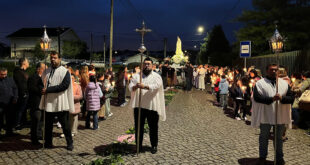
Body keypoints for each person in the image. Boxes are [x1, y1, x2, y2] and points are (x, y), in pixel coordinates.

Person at [251, 64, 294, 165]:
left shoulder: (284, 84)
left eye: (276, 70)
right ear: (267, 71)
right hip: (265, 115)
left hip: (279, 115)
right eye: (271, 70)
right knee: (264, 137)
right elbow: (257, 98)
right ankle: (262, 157)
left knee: (278, 138)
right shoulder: (260, 84)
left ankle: (279, 158)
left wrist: (282, 98)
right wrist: (271, 99)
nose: (274, 72)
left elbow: (291, 98)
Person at [129, 57, 166, 154]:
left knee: (153, 127)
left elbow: (157, 86)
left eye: (148, 64)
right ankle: (138, 145)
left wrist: (145, 86)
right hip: (139, 105)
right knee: (138, 127)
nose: (146, 65)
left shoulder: (157, 76)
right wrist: (136, 86)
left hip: (152, 106)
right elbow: (130, 87)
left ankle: (154, 145)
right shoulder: (137, 76)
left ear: (152, 65)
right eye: (145, 64)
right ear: (142, 65)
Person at [39, 51, 75, 151]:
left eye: (55, 57)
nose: (53, 59)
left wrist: (48, 90)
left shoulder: (65, 71)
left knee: (65, 125)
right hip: (49, 102)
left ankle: (69, 143)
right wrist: (41, 89)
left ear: (59, 59)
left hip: (60, 102)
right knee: (48, 125)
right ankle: (48, 142)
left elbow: (64, 86)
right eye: (51, 58)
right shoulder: (46, 71)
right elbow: (40, 83)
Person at [28, 63, 45, 145]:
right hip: (36, 102)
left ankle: (39, 134)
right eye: (44, 68)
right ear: (39, 69)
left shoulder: (43, 77)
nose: (45, 70)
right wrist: (41, 90)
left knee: (41, 121)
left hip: (42, 103)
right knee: (35, 121)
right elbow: (32, 88)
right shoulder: (33, 77)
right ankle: (34, 139)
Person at [0, 67, 18, 136]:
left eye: (5, 74)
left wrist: (15, 97)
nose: (4, 76)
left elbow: (15, 88)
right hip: (1, 103)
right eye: (2, 74)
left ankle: (9, 132)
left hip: (10, 103)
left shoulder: (10, 79)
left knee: (9, 118)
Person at [13, 57, 29, 129]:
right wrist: (24, 93)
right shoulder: (18, 72)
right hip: (22, 94)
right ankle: (17, 124)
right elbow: (20, 84)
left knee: (24, 109)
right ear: (24, 63)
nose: (28, 63)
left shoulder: (23, 72)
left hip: (25, 93)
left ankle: (23, 122)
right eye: (27, 61)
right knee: (20, 109)